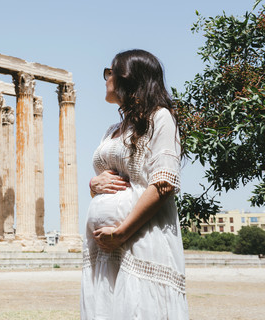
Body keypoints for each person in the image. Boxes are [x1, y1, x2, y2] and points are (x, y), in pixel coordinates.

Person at [81, 49, 189, 319]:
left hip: (138, 240)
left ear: (126, 78)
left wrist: (121, 233)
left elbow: (163, 183)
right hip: (104, 250)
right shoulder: (113, 129)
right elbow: (118, 178)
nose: (106, 79)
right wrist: (94, 184)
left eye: (109, 72)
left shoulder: (160, 118)